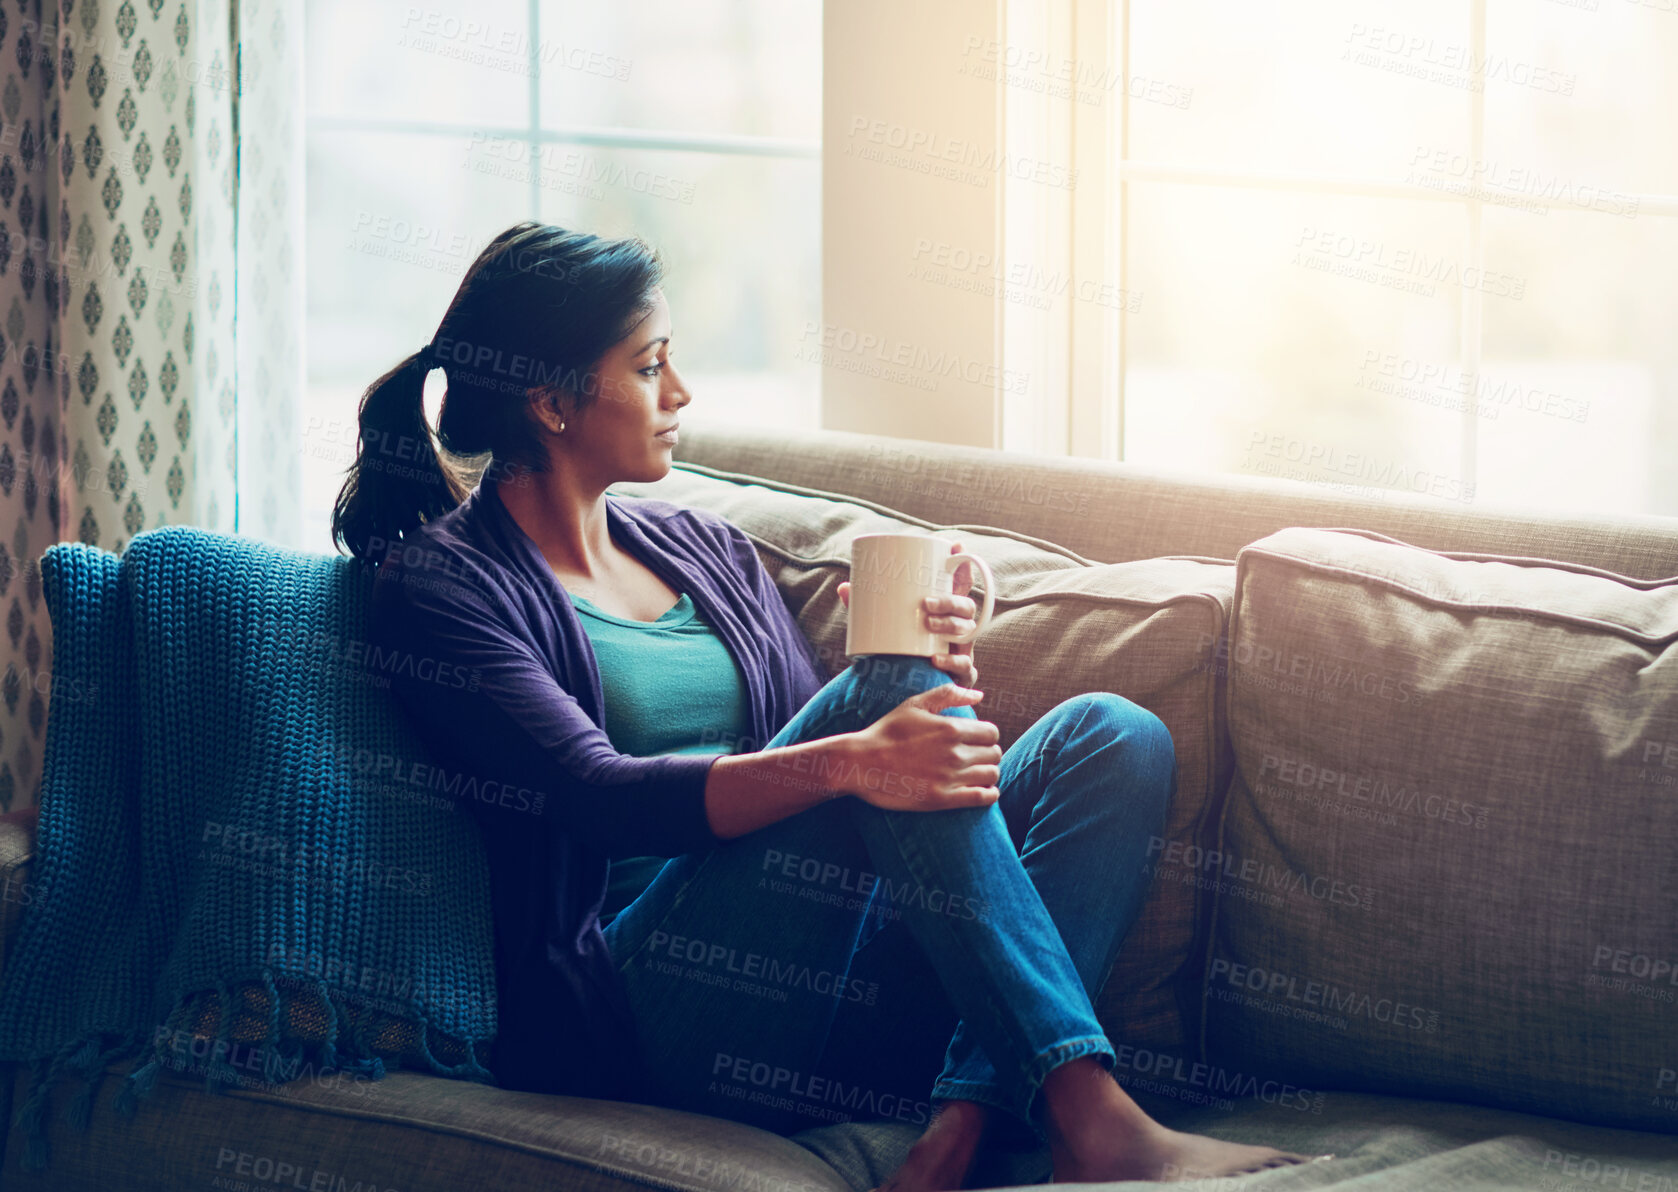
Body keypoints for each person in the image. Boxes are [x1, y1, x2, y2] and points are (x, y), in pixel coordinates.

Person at [333, 222, 1318, 1189]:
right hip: (647, 1012)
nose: (680, 393)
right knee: (876, 704)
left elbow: (848, 781)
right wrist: (858, 740)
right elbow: (595, 794)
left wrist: (927, 669)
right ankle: (1085, 1109)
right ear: (550, 402)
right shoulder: (440, 591)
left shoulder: (704, 551)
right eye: (649, 365)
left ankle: (964, 1117)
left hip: (831, 997)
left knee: (1115, 736)